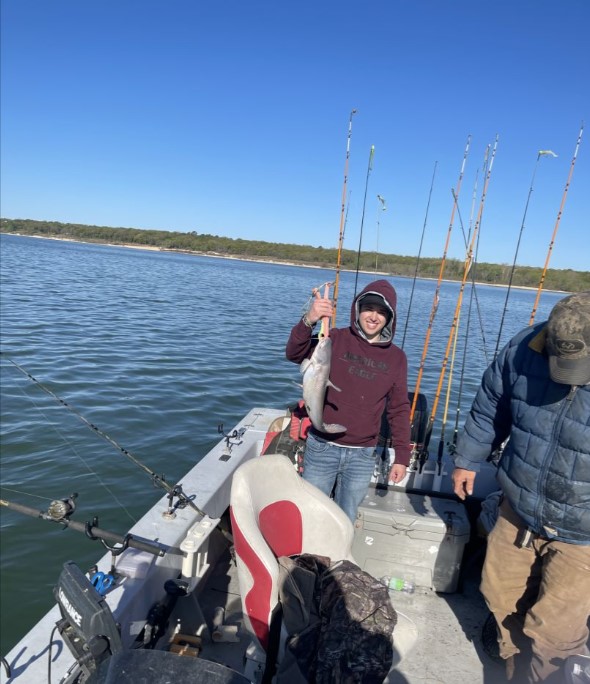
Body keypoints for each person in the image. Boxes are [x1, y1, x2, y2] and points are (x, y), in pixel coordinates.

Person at [451, 291, 590, 683]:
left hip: (583, 531)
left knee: (555, 633)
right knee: (498, 596)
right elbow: (490, 404)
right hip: (520, 507)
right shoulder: (524, 346)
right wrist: (467, 459)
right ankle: (514, 668)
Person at [286, 279, 411, 522]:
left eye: (382, 312)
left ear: (390, 318)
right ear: (357, 309)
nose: (373, 316)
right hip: (322, 447)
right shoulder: (334, 338)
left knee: (345, 519)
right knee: (311, 514)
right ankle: (307, 559)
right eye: (368, 308)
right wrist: (308, 320)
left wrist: (402, 457)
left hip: (362, 455)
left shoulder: (397, 358)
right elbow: (293, 354)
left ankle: (336, 558)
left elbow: (398, 409)